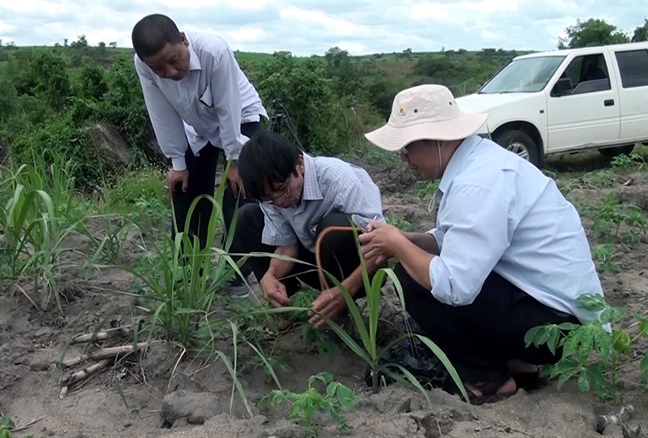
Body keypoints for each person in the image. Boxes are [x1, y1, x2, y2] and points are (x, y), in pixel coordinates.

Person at [358, 84, 606, 405]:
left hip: (556, 329)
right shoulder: (478, 163)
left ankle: (488, 378)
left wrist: (398, 247)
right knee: (419, 260)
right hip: (550, 309)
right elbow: (451, 241)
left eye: (406, 148)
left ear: (436, 138)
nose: (403, 158)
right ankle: (520, 365)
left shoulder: (478, 183)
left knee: (414, 279)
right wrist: (403, 239)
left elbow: (454, 286)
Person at [131, 13, 268, 298]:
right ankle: (187, 271)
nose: (169, 72)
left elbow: (228, 107)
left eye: (174, 60)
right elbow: (161, 112)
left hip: (239, 118)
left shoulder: (213, 52)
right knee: (186, 192)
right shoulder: (144, 66)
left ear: (183, 40)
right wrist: (177, 162)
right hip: (197, 126)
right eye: (159, 68)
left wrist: (235, 159)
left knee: (239, 193)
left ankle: (236, 277)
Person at [234, 131, 386, 327]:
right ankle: (287, 304)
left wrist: (344, 291)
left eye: (283, 189)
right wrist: (270, 276)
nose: (280, 201)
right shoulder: (271, 194)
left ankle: (341, 305)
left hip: (363, 267)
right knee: (248, 218)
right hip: (316, 263)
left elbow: (381, 246)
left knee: (333, 228)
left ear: (299, 164)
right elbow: (286, 246)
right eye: (270, 198)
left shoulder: (338, 180)